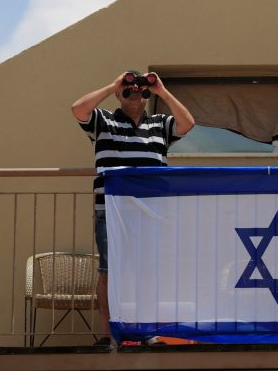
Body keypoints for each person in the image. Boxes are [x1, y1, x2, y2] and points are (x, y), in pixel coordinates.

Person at [71, 70, 195, 346]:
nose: (135, 90)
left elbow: (187, 123)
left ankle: (146, 333)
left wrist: (162, 90)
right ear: (119, 93)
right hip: (112, 210)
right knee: (110, 271)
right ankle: (110, 334)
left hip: (150, 211)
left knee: (148, 271)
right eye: (128, 87)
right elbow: (78, 109)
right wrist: (113, 84)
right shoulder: (103, 121)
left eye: (140, 87)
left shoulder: (160, 125)